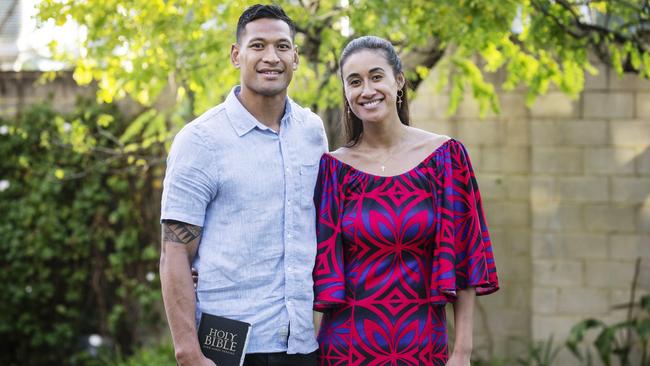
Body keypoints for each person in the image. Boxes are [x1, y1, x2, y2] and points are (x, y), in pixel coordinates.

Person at [312, 36, 499, 366]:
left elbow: (467, 258)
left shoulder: (445, 158)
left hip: (423, 346)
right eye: (354, 82)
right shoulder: (333, 169)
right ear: (345, 92)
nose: (366, 90)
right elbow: (308, 257)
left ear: (399, 81)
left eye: (376, 76)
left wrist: (462, 352)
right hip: (345, 348)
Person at [159, 4, 327, 366]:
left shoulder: (313, 132)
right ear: (237, 55)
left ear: (296, 57)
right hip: (228, 349)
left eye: (282, 46)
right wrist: (188, 353)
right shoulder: (200, 141)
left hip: (302, 344)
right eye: (258, 45)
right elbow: (174, 254)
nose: (271, 57)